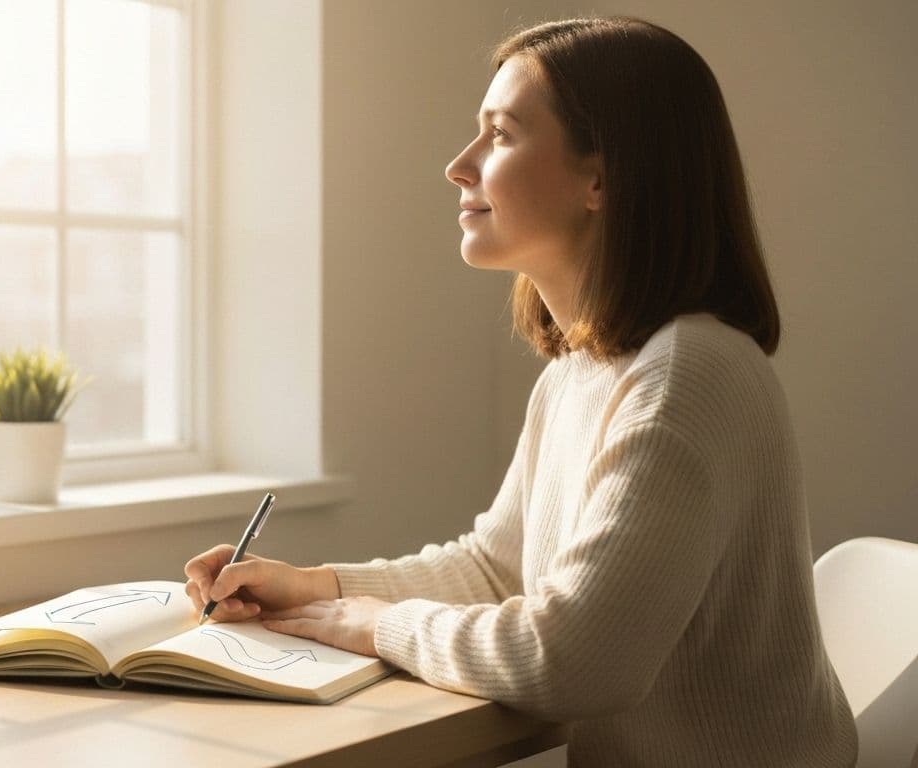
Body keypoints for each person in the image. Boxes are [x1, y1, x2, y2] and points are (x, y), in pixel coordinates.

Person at [184, 16, 858, 767]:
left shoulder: (683, 377)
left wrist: (371, 622)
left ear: (602, 177)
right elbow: (498, 571)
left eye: (501, 134)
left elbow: (570, 662)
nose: (458, 165)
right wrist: (312, 588)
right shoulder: (579, 373)